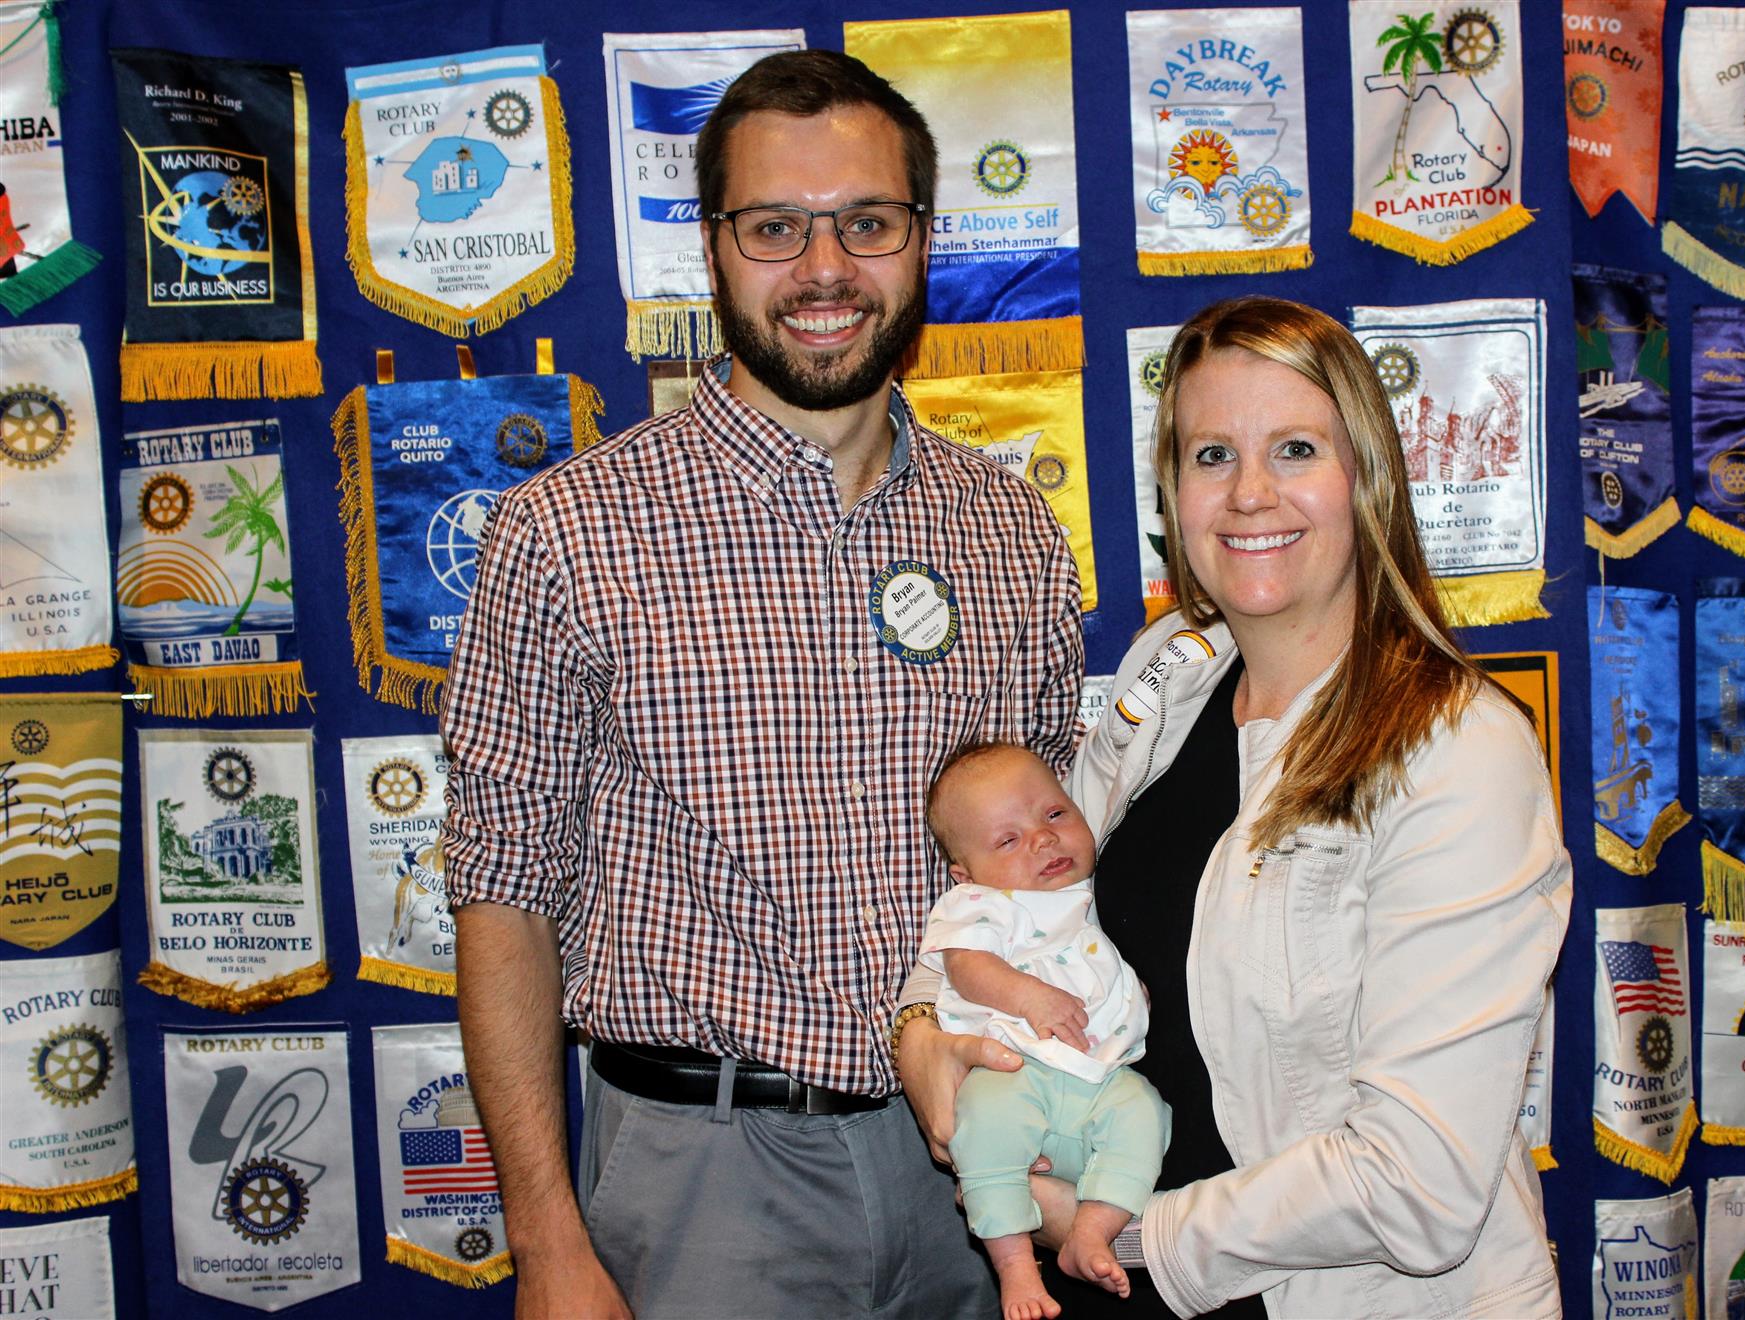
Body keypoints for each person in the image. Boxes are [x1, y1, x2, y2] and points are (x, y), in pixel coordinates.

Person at [440, 50, 1083, 1319]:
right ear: (713, 247)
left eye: (868, 222)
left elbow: (1049, 869)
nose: (826, 269)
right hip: (703, 1179)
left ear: (922, 240)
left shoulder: (1009, 530)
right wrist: (545, 1239)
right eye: (777, 227)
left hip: (987, 1153)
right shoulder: (566, 533)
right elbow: (502, 894)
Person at [899, 295, 1571, 1317]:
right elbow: (1014, 892)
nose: (1251, 493)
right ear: (1172, 494)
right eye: (1212, 455)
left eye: (1296, 449)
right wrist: (923, 1029)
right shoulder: (1170, 674)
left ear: (1368, 478)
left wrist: (1115, 1228)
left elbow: (1420, 1184)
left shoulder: (1459, 753)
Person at [922, 742, 1170, 1320]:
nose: (1043, 839)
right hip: (1014, 1068)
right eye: (1008, 840)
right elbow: (968, 967)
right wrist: (1029, 996)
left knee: (1147, 1115)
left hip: (1100, 1078)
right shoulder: (981, 904)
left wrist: (1129, 995)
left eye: (1055, 814)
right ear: (965, 874)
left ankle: (1092, 1228)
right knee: (985, 1130)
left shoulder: (1090, 896)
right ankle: (1014, 1265)